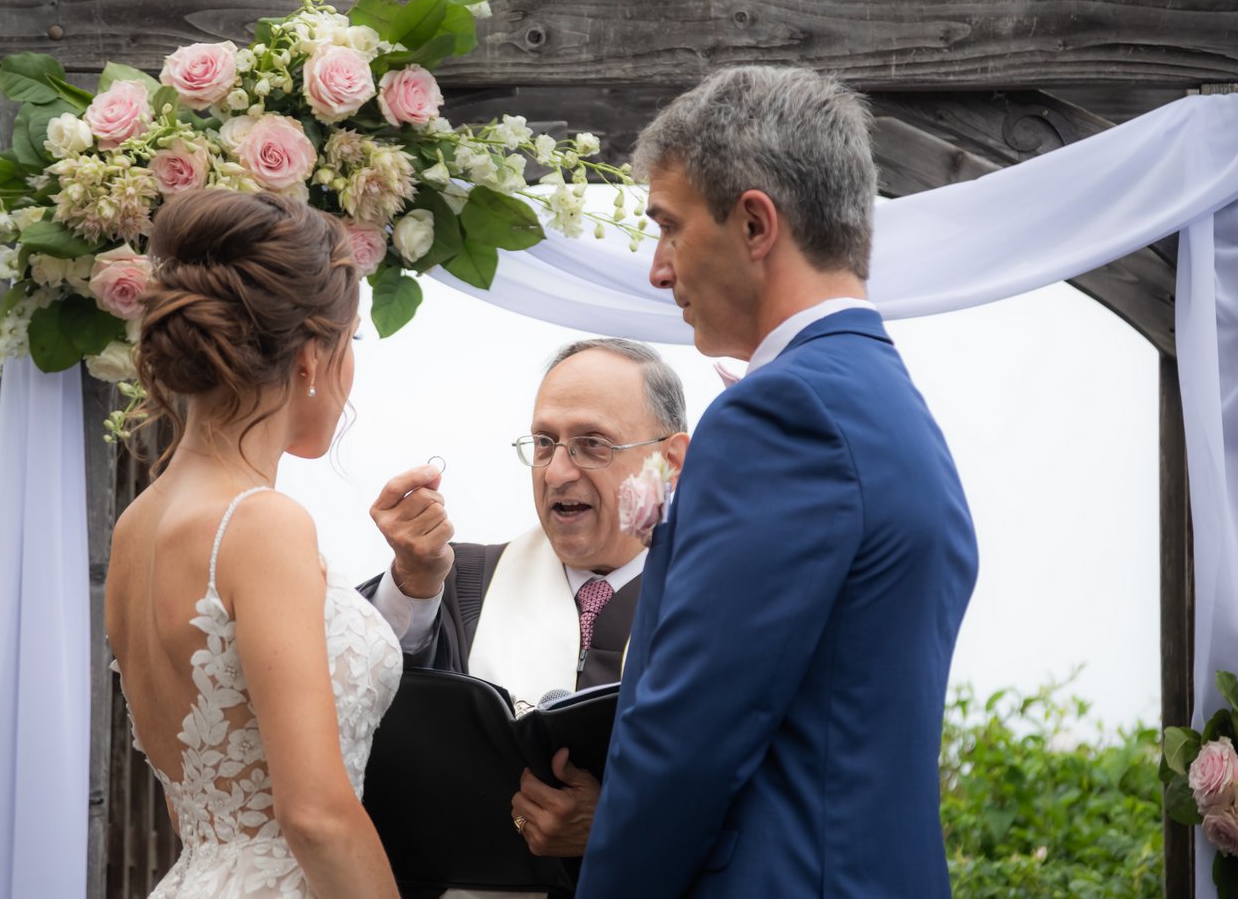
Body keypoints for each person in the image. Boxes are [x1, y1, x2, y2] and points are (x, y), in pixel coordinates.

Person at [576, 67, 979, 898]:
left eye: (670, 228)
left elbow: (685, 737)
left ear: (755, 223)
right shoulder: (888, 404)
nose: (658, 270)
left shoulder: (785, 413)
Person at [104, 189, 402, 898]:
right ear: (308, 356)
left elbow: (195, 796)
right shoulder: (261, 523)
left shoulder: (135, 528)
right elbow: (316, 816)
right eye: (350, 342)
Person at [359, 338, 689, 895]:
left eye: (591, 444)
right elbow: (363, 698)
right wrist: (414, 582)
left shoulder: (722, 606)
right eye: (543, 442)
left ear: (670, 461)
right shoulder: (459, 582)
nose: (557, 472)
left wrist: (616, 826)